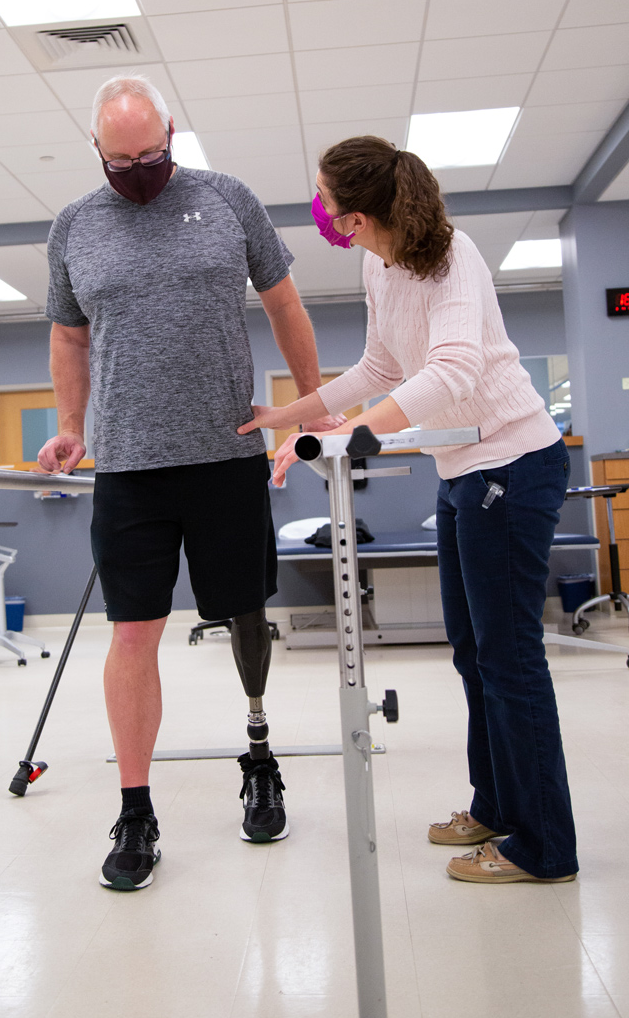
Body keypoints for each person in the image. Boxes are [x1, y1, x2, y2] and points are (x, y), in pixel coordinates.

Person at [239, 135, 578, 885]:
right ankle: (496, 806)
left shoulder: (455, 258)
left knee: (510, 660)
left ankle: (545, 846)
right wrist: (297, 415)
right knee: (473, 653)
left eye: (327, 200)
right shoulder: (378, 263)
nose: (322, 211)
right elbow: (382, 366)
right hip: (462, 470)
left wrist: (364, 431)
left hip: (513, 465)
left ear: (357, 214)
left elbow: (454, 368)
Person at [38, 74, 342, 891]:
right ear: (96, 151)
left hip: (225, 454)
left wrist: (310, 406)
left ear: (172, 133)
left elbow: (284, 303)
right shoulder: (74, 225)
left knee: (245, 611)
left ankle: (258, 750)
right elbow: (70, 339)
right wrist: (71, 426)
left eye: (152, 155)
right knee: (133, 633)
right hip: (129, 466)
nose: (139, 170)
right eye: (121, 160)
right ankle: (136, 809)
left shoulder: (227, 200)